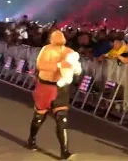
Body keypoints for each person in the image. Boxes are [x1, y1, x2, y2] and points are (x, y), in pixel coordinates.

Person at [27, 30, 78, 160]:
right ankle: (32, 139)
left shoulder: (69, 52)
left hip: (61, 88)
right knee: (39, 117)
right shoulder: (46, 49)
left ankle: (64, 151)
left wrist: (76, 70)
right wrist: (59, 65)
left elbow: (76, 67)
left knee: (62, 119)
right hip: (45, 86)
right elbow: (40, 65)